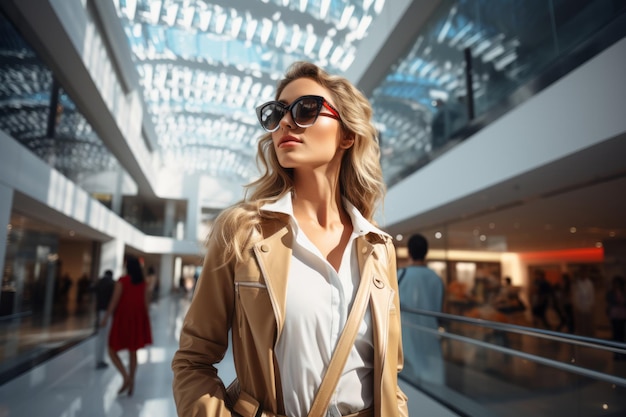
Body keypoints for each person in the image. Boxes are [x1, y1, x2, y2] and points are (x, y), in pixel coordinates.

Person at [172, 61, 408, 417]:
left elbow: (390, 375)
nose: (285, 122)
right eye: (276, 113)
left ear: (347, 135)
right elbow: (193, 360)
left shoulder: (378, 247)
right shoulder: (242, 233)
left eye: (306, 109)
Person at [100, 255, 153, 396]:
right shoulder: (144, 283)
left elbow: (114, 302)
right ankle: (131, 381)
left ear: (127, 267)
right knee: (133, 351)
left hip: (123, 319)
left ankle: (125, 376)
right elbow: (146, 305)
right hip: (137, 319)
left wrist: (105, 317)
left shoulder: (122, 281)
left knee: (112, 349)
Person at [397, 233, 445, 386]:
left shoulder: (401, 275)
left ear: (409, 252)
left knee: (409, 380)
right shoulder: (435, 278)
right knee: (433, 377)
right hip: (430, 333)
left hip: (406, 335)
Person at [92, 269, 115, 369]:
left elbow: (91, 289)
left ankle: (99, 359)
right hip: (107, 312)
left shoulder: (100, 282)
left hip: (100, 310)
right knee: (103, 337)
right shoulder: (111, 284)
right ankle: (100, 360)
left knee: (101, 336)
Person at [606, 275, 626, 360]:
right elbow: (609, 300)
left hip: (622, 315)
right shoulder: (611, 293)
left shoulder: (623, 292)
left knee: (622, 334)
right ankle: (616, 353)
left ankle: (622, 352)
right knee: (616, 334)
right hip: (615, 315)